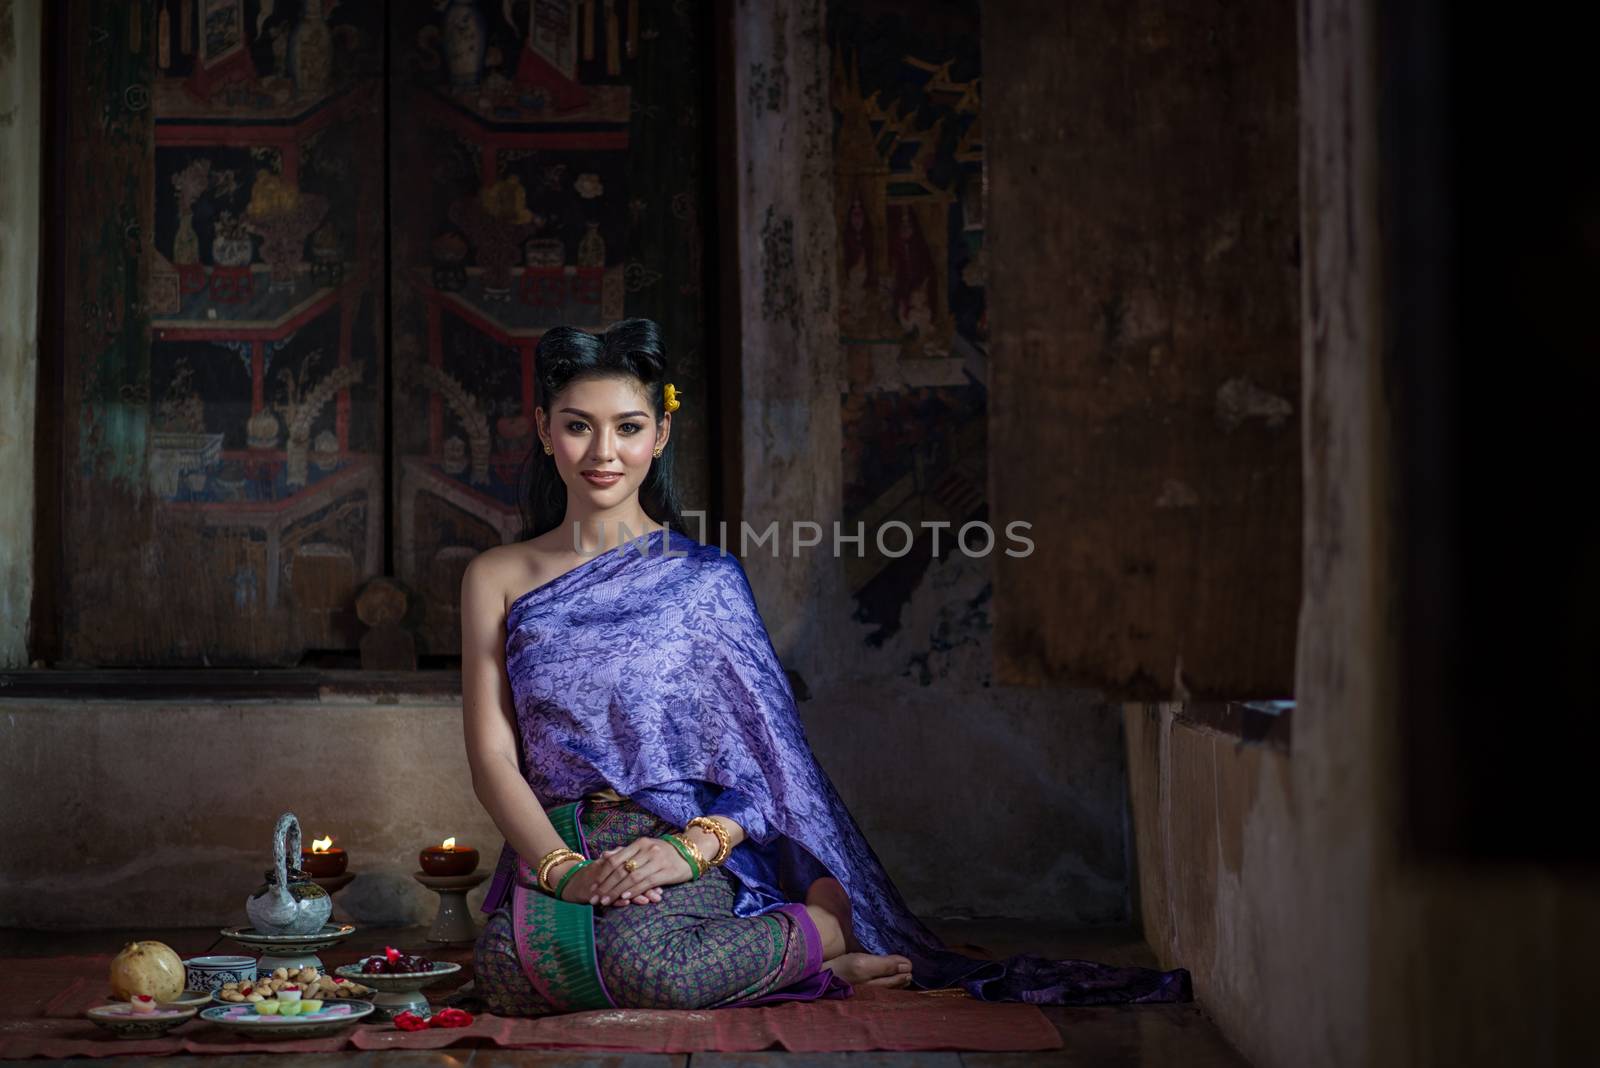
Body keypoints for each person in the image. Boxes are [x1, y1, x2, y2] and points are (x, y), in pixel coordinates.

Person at [461, 318, 1191, 1013]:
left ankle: (825, 931)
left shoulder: (705, 581)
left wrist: (688, 851)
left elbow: (769, 769)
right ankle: (809, 965)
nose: (603, 452)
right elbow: (493, 754)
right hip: (555, 840)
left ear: (661, 435)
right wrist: (565, 870)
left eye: (628, 427)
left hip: (676, 841)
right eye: (578, 425)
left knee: (651, 968)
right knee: (507, 977)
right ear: (543, 430)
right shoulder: (496, 575)